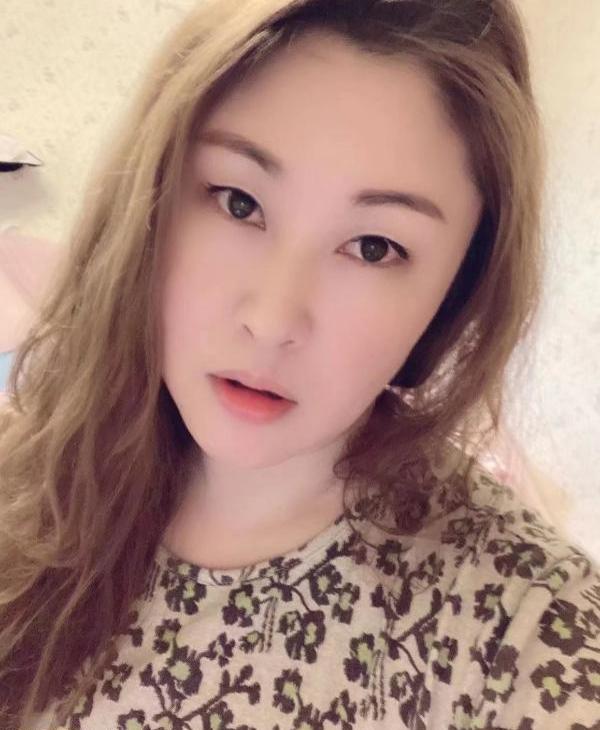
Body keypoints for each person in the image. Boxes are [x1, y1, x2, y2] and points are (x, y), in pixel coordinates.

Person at [0, 1, 598, 728]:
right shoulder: (30, 464)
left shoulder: (524, 631)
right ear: (148, 199)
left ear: (457, 292)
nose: (273, 320)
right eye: (238, 202)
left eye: (373, 248)